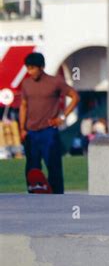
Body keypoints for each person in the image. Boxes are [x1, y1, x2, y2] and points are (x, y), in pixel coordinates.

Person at [19, 52, 80, 194]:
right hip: (31, 132)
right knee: (32, 169)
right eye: (28, 68)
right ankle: (34, 196)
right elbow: (23, 105)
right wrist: (22, 128)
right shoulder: (26, 84)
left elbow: (75, 97)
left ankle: (57, 197)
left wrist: (62, 118)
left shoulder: (55, 82)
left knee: (54, 167)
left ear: (42, 67)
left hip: (49, 132)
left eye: (33, 68)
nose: (30, 72)